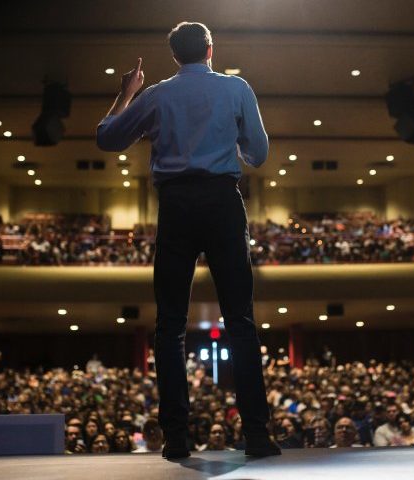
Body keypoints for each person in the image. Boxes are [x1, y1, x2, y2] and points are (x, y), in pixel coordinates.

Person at [96, 21, 277, 460]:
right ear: (210, 50)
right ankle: (256, 435)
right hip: (222, 203)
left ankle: (176, 438)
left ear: (175, 56)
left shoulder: (156, 95)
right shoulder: (236, 89)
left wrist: (126, 93)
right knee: (240, 321)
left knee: (170, 325)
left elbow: (107, 138)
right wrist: (229, 142)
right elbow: (258, 154)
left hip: (176, 206)